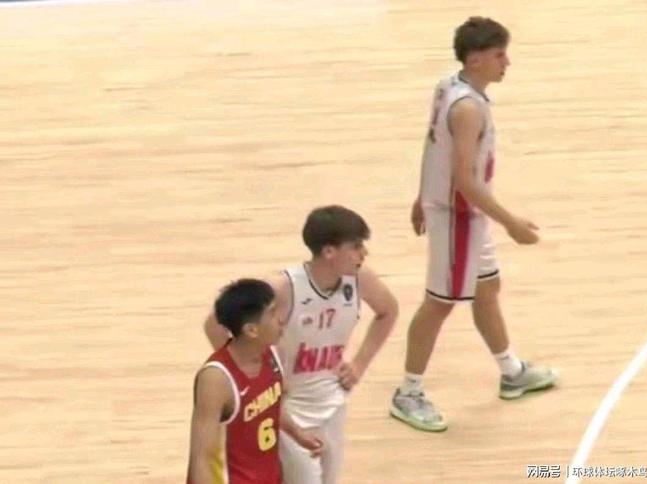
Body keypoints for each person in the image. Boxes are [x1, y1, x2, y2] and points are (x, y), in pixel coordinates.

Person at [389, 17, 557, 433]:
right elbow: (464, 179)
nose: (507, 63)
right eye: (500, 55)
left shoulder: (448, 85)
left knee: (487, 289)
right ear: (476, 59)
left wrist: (421, 194)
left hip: (463, 213)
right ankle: (408, 392)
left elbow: (432, 144)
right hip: (458, 218)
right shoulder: (467, 109)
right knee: (439, 303)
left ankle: (511, 371)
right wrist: (511, 223)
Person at [205, 205, 398, 484]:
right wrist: (253, 378)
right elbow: (214, 325)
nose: (363, 253)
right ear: (329, 251)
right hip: (289, 408)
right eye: (356, 246)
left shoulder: (360, 279)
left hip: (333, 403)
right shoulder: (284, 288)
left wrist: (359, 364)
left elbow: (388, 311)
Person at [188, 279, 321, 484]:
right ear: (251, 330)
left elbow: (269, 406)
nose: (281, 319)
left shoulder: (271, 354)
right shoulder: (216, 379)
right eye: (272, 313)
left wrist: (297, 433)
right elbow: (201, 457)